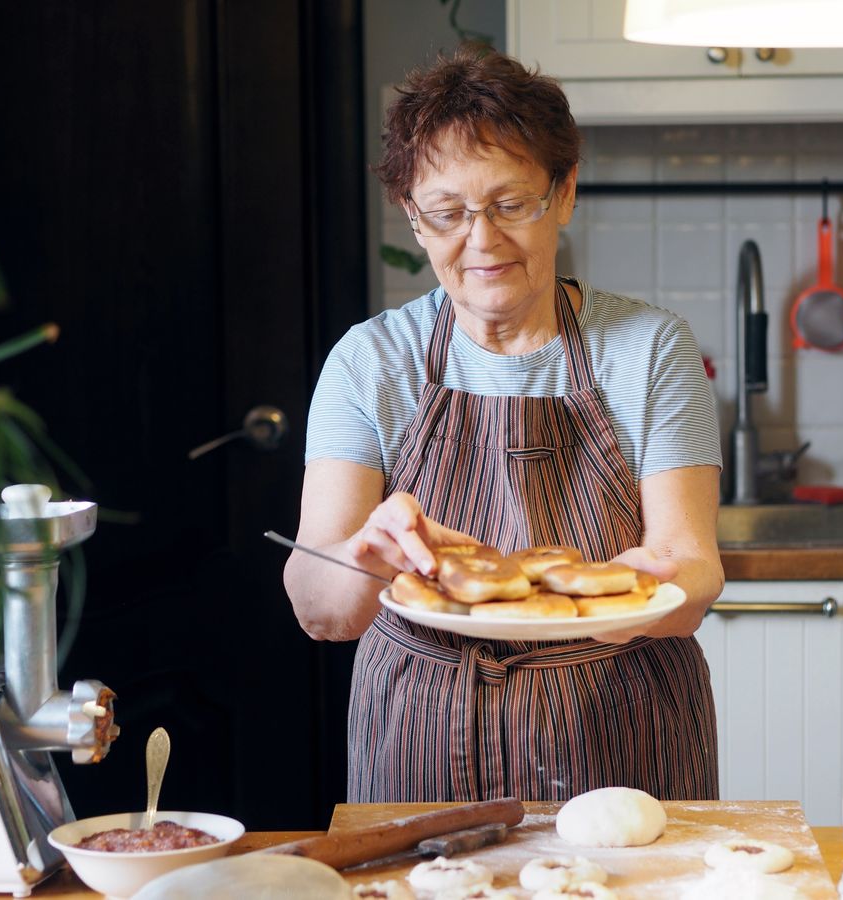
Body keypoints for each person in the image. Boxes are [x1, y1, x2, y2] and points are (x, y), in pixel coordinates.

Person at [283, 44, 724, 804]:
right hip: (421, 726)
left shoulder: (650, 350)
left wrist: (639, 594)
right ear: (413, 220)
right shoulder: (370, 362)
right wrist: (369, 553)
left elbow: (694, 571)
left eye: (511, 204)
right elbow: (323, 614)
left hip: (618, 724)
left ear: (565, 193)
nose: (481, 241)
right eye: (448, 213)